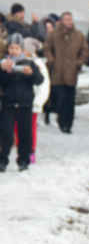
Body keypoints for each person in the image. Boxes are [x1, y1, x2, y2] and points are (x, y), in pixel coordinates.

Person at [0, 33, 43, 171]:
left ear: (22, 49)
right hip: (8, 103)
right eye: (11, 48)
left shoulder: (30, 63)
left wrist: (31, 73)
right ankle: (2, 160)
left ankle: (23, 160)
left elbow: (39, 80)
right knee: (5, 133)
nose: (13, 51)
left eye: (16, 48)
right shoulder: (3, 62)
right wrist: (4, 71)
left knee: (25, 134)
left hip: (25, 104)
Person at [44, 11, 89, 134]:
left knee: (70, 100)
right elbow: (47, 48)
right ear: (62, 21)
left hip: (71, 72)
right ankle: (61, 120)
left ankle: (68, 125)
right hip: (57, 71)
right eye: (66, 19)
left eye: (70, 19)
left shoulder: (79, 35)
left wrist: (79, 63)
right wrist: (51, 60)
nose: (69, 22)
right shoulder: (54, 34)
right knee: (60, 99)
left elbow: (85, 51)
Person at [17, 37, 50, 163]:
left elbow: (43, 85)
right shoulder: (19, 61)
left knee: (30, 129)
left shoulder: (38, 64)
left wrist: (38, 102)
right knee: (18, 128)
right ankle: (22, 150)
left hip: (33, 102)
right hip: (20, 101)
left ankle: (31, 151)